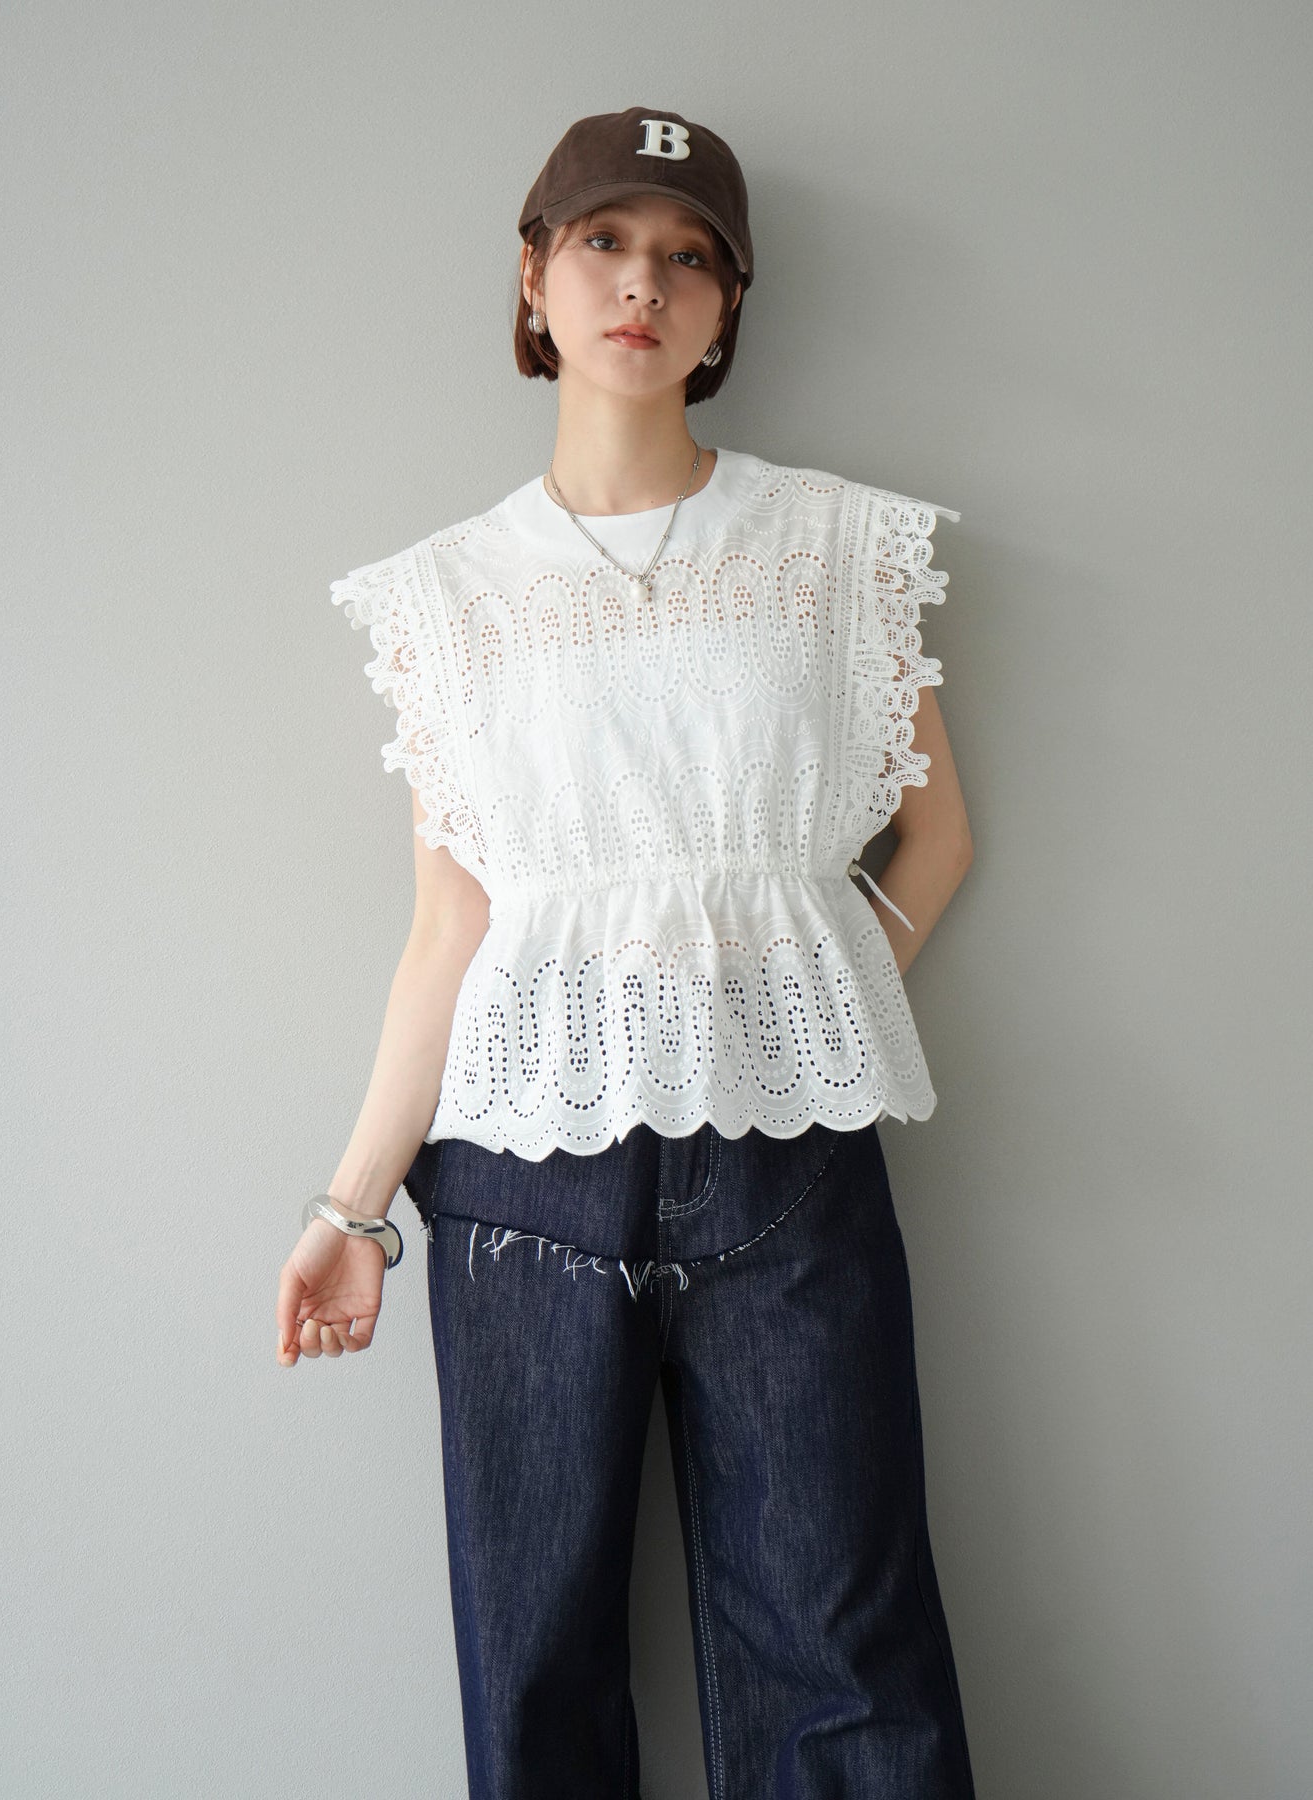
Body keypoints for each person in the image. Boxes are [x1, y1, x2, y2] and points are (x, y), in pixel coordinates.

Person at [275, 105, 978, 1799]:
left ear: (727, 307)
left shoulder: (832, 546)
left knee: (845, 1654)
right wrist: (350, 1210)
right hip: (520, 1184)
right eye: (602, 243)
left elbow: (938, 837)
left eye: (686, 257)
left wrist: (797, 999)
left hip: (787, 1162)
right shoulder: (448, 595)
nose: (641, 285)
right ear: (532, 277)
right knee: (535, 1665)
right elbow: (453, 926)